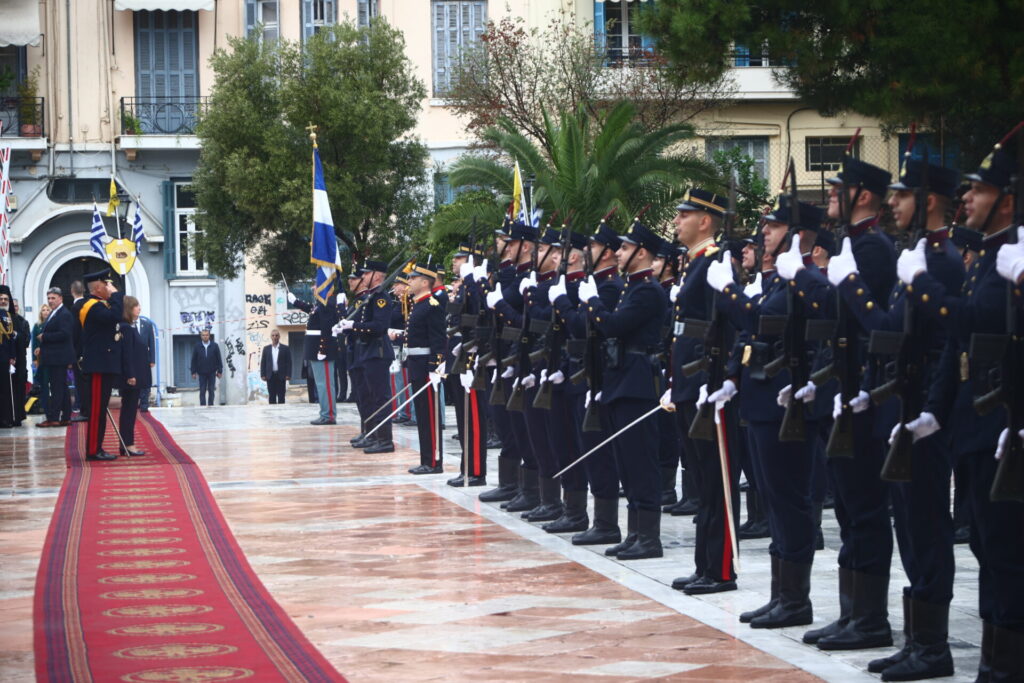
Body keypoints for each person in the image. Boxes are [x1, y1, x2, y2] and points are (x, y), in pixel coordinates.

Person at [390, 260, 446, 474]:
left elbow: (438, 341)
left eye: (413, 278)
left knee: (430, 416)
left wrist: (435, 367)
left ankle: (433, 462)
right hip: (416, 365)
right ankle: (427, 460)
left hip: (426, 367)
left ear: (425, 282)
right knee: (422, 416)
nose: (410, 281)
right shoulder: (418, 305)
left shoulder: (431, 305)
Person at [342, 260, 395, 452]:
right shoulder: (371, 297)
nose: (363, 277)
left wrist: (353, 326)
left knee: (380, 398)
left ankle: (385, 440)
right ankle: (374, 435)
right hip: (368, 351)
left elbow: (379, 326)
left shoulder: (381, 298)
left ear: (378, 275)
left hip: (378, 351)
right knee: (370, 396)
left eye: (367, 273)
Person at [79, 269, 123, 460]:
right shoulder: (93, 306)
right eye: (106, 285)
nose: (109, 288)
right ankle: (92, 450)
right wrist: (116, 295)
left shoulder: (99, 305)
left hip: (103, 364)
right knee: (97, 410)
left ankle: (97, 447)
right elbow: (115, 316)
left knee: (100, 408)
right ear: (98, 288)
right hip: (98, 365)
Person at [289, 279, 341, 425]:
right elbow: (312, 311)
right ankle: (325, 413)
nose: (313, 288)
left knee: (325, 384)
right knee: (321, 383)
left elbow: (326, 327)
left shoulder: (327, 303)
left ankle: (328, 415)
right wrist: (296, 302)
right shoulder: (321, 303)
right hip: (316, 347)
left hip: (321, 348)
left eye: (316, 285)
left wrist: (323, 348)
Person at [35, 287, 74, 427]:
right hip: (53, 357)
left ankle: (54, 418)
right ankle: (66, 417)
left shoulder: (64, 314)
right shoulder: (54, 313)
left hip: (59, 357)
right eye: (49, 298)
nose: (50, 301)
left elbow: (65, 334)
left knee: (57, 388)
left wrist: (45, 337)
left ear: (60, 298)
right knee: (62, 387)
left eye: (53, 298)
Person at [117, 296, 147, 456]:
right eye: (136, 306)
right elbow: (127, 354)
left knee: (129, 410)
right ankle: (127, 443)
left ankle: (126, 443)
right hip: (131, 376)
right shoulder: (126, 328)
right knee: (128, 411)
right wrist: (130, 375)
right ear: (129, 309)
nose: (139, 308)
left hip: (134, 374)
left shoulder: (130, 326)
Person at [69, 279, 88, 421]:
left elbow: (74, 333)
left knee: (80, 384)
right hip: (90, 350)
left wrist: (73, 354)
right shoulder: (88, 305)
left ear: (72, 292)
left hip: (79, 352)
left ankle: (84, 410)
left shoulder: (75, 309)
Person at [189, 329, 222, 407]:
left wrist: (220, 371)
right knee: (202, 390)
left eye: (206, 335)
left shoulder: (215, 346)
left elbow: (219, 359)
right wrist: (193, 372)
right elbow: (194, 360)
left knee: (211, 390)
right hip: (201, 372)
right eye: (203, 335)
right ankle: (202, 406)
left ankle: (211, 405)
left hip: (212, 372)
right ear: (201, 336)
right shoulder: (197, 346)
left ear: (209, 336)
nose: (205, 337)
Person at [10, 297, 29, 426]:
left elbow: (27, 340)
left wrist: (17, 335)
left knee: (19, 389)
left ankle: (19, 415)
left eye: (16, 306)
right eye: (14, 306)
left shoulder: (23, 322)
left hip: (21, 359)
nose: (15, 308)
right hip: (8, 359)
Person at [30, 303, 52, 417]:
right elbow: (34, 343)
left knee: (52, 383)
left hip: (51, 358)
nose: (46, 312)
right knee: (42, 383)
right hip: (40, 359)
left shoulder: (53, 324)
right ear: (40, 313)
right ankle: (43, 405)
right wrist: (34, 359)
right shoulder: (37, 326)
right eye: (43, 310)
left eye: (47, 310)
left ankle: (52, 405)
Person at [260, 329, 292, 404]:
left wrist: (288, 374)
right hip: (270, 376)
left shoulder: (285, 348)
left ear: (279, 337)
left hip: (281, 375)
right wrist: (262, 374)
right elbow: (263, 362)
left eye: (276, 335)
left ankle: (281, 413)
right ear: (271, 337)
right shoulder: (266, 349)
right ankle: (272, 413)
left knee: (281, 396)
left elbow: (289, 362)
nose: (275, 337)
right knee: (271, 396)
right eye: (273, 335)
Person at [0, 288, 16, 427]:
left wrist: (12, 355)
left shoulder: (8, 315)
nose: (3, 301)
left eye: (5, 299)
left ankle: (6, 418)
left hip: (4, 357)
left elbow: (10, 337)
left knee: (5, 389)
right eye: (1, 299)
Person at [135, 314, 156, 412]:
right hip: (132, 358)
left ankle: (144, 404)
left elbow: (151, 342)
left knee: (145, 382)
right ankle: (134, 403)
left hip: (145, 358)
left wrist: (152, 359)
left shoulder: (147, 325)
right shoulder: (127, 324)